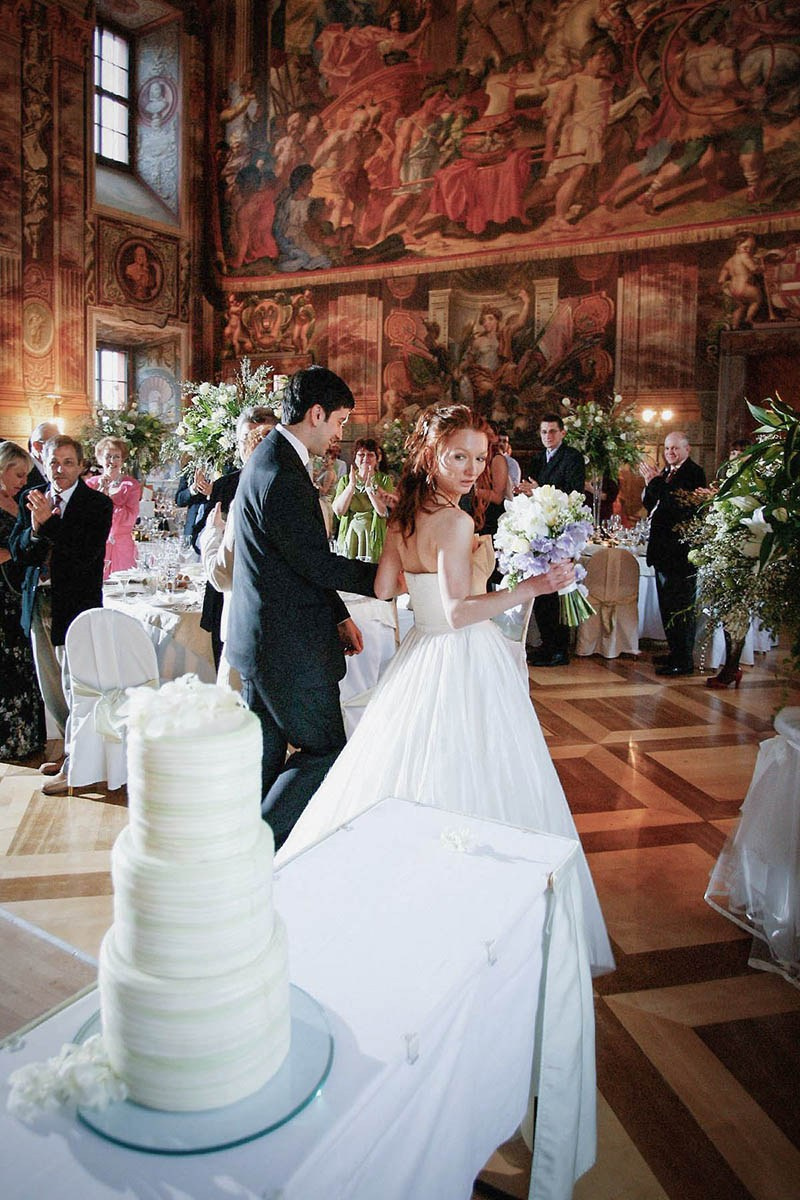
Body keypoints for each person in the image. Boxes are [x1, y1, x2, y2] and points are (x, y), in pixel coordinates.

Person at [277, 404, 614, 976]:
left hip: (418, 656)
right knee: (475, 771)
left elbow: (386, 586)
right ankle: (462, 915)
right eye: (459, 456)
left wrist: (419, 569)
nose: (469, 469)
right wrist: (534, 583)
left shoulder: (403, 516)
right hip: (458, 653)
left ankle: (402, 889)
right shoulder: (455, 523)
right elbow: (459, 613)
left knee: (408, 769)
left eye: (479, 459)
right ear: (432, 453)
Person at [225, 366, 379, 848]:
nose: (340, 434)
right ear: (316, 413)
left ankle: (241, 855)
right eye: (339, 421)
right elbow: (314, 561)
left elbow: (290, 560)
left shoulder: (270, 459)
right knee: (326, 750)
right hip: (287, 650)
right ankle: (258, 850)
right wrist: (383, 579)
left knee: (266, 762)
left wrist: (338, 613)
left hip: (263, 643)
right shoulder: (281, 475)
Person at [9, 435, 112, 794]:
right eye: (54, 462)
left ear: (82, 466)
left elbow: (83, 553)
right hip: (38, 600)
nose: (60, 470)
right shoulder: (33, 499)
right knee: (50, 684)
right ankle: (71, 751)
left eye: (68, 462)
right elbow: (19, 551)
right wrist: (36, 529)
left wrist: (48, 524)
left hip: (76, 605)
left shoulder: (97, 504)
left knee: (76, 684)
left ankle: (79, 764)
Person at [193, 407, 279, 670]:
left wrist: (215, 534)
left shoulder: (284, 485)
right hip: (224, 599)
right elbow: (198, 535)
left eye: (262, 438)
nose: (252, 445)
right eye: (246, 439)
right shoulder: (224, 486)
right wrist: (211, 533)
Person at [518, 413, 585, 667]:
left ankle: (559, 649)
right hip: (538, 533)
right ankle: (546, 645)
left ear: (563, 433)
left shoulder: (572, 458)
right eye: (544, 432)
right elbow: (531, 489)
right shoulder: (536, 459)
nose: (548, 436)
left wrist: (538, 490)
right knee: (541, 590)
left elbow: (574, 493)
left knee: (557, 591)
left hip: (561, 533)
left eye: (553, 432)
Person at [640, 432, 707, 677]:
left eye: (675, 448)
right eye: (667, 448)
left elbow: (676, 505)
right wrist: (652, 483)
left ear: (687, 449)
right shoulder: (666, 473)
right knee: (667, 609)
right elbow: (652, 504)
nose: (670, 452)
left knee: (681, 610)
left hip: (679, 555)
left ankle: (683, 660)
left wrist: (656, 482)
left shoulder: (693, 473)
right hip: (662, 553)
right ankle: (674, 652)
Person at [0, 441, 45, 760]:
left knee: (25, 661)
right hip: (1, 594)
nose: (22, 481)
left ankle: (28, 738)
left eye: (25, 474)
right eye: (17, 474)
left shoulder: (17, 500)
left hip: (21, 590)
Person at [85, 437, 142, 579]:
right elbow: (85, 516)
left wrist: (107, 500)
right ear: (99, 459)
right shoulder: (90, 484)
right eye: (108, 456)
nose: (112, 461)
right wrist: (99, 492)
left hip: (122, 547)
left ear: (122, 460)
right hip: (96, 545)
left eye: (116, 457)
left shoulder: (131, 485)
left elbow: (130, 517)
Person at [332, 437, 394, 562]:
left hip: (374, 536)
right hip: (351, 535)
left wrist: (370, 489)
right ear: (355, 458)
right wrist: (351, 486)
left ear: (377, 459)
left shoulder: (384, 480)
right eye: (361, 454)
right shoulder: (345, 480)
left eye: (370, 455)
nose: (365, 459)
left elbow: (383, 512)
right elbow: (339, 511)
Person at [27, 420, 59, 488]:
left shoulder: (58, 468)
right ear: (37, 446)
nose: (59, 448)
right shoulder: (23, 470)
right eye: (54, 444)